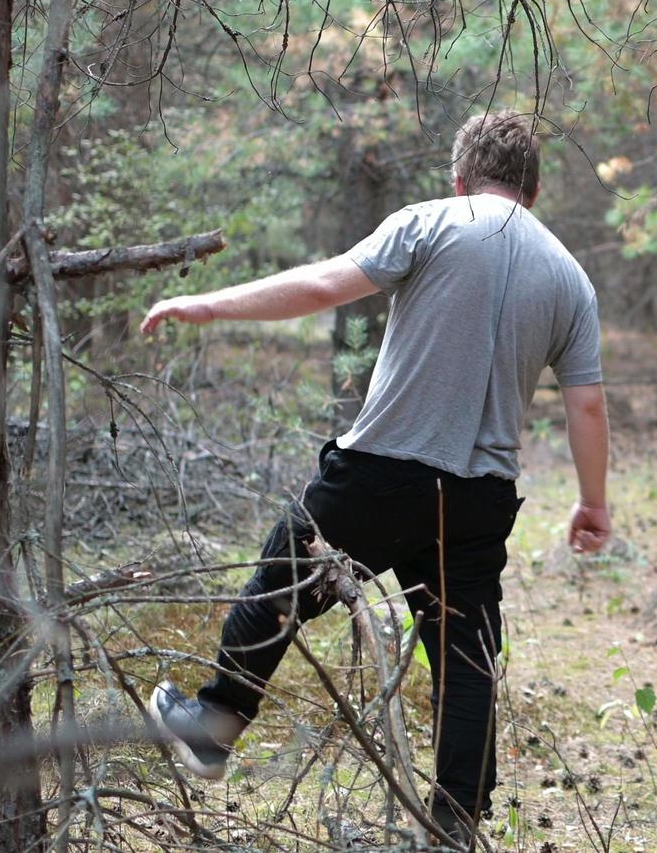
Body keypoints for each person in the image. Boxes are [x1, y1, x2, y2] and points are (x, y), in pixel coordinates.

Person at [137, 111, 611, 845]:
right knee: (465, 658)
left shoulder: (430, 222)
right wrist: (591, 502)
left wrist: (206, 305)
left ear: (459, 179)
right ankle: (455, 822)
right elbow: (585, 403)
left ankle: (215, 722)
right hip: (481, 499)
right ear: (536, 190)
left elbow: (324, 285)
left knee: (283, 577)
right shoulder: (571, 278)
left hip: (382, 473)